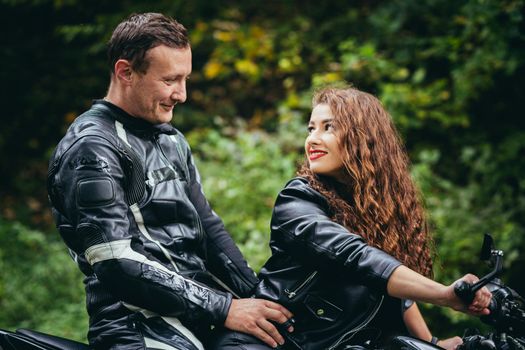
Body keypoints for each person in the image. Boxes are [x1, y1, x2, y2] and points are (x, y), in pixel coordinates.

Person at [47, 12, 293, 350]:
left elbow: (209, 232)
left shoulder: (171, 139)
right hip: (136, 326)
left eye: (186, 79)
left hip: (204, 313)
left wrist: (261, 299)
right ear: (126, 72)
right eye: (170, 80)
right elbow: (117, 264)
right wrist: (225, 309)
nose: (182, 94)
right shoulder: (91, 147)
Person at [210, 86, 491, 350]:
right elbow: (356, 258)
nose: (312, 138)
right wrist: (444, 295)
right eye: (311, 128)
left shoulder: (376, 207)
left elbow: (394, 290)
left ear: (363, 137)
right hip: (261, 343)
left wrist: (432, 342)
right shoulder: (298, 199)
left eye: (328, 127)